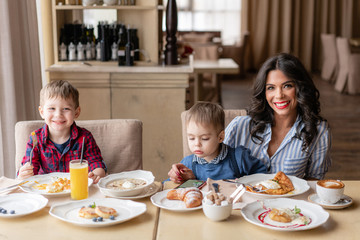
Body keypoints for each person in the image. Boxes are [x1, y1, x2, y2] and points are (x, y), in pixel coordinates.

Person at [224, 53, 331, 180]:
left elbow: (314, 180)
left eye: (287, 86)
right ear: (264, 93)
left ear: (301, 88)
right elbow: (214, 164)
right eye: (271, 88)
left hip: (290, 199)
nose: (279, 95)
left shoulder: (319, 131)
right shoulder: (239, 127)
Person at [18, 80, 107, 183]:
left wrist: (96, 174)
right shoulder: (35, 138)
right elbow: (29, 167)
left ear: (76, 112)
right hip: (47, 190)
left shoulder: (85, 137)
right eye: (52, 108)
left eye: (66, 109)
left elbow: (96, 163)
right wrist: (24, 173)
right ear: (42, 112)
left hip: (77, 188)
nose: (58, 115)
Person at [168, 102, 267, 183]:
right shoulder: (187, 164)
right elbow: (168, 185)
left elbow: (262, 176)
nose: (197, 144)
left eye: (205, 138)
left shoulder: (239, 158)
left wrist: (245, 182)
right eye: (191, 138)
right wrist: (177, 178)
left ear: (220, 137)